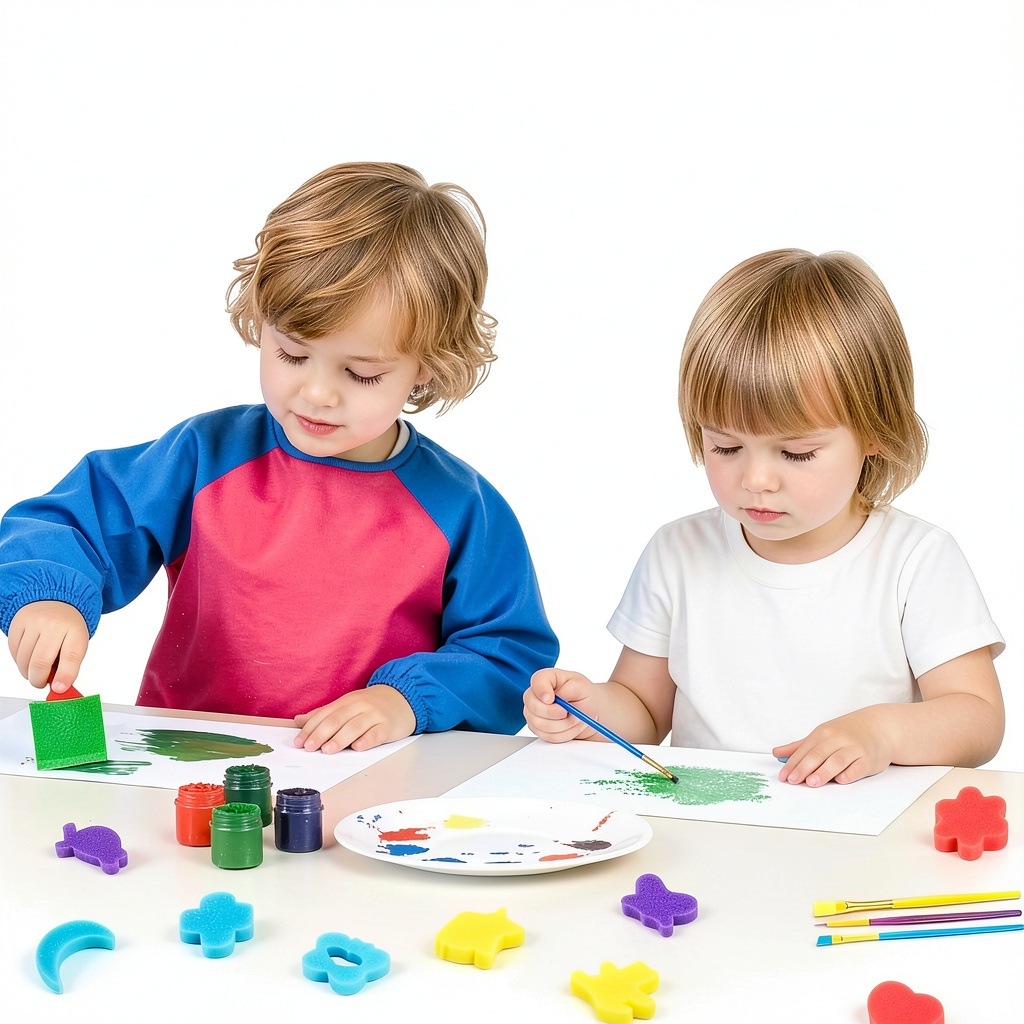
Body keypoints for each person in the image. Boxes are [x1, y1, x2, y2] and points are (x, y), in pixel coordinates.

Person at [0, 161, 558, 753]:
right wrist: (50, 593)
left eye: (361, 373)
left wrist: (406, 701)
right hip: (182, 764)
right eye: (292, 354)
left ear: (428, 364)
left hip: (365, 776)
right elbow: (74, 522)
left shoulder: (463, 509)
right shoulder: (205, 457)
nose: (317, 393)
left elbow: (506, 655)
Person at [525, 249, 1004, 786]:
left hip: (852, 825)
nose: (756, 479)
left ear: (874, 431)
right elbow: (644, 710)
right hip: (707, 819)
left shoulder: (915, 560)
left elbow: (978, 719)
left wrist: (882, 733)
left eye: (796, 453)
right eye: (726, 446)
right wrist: (587, 709)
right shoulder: (678, 552)